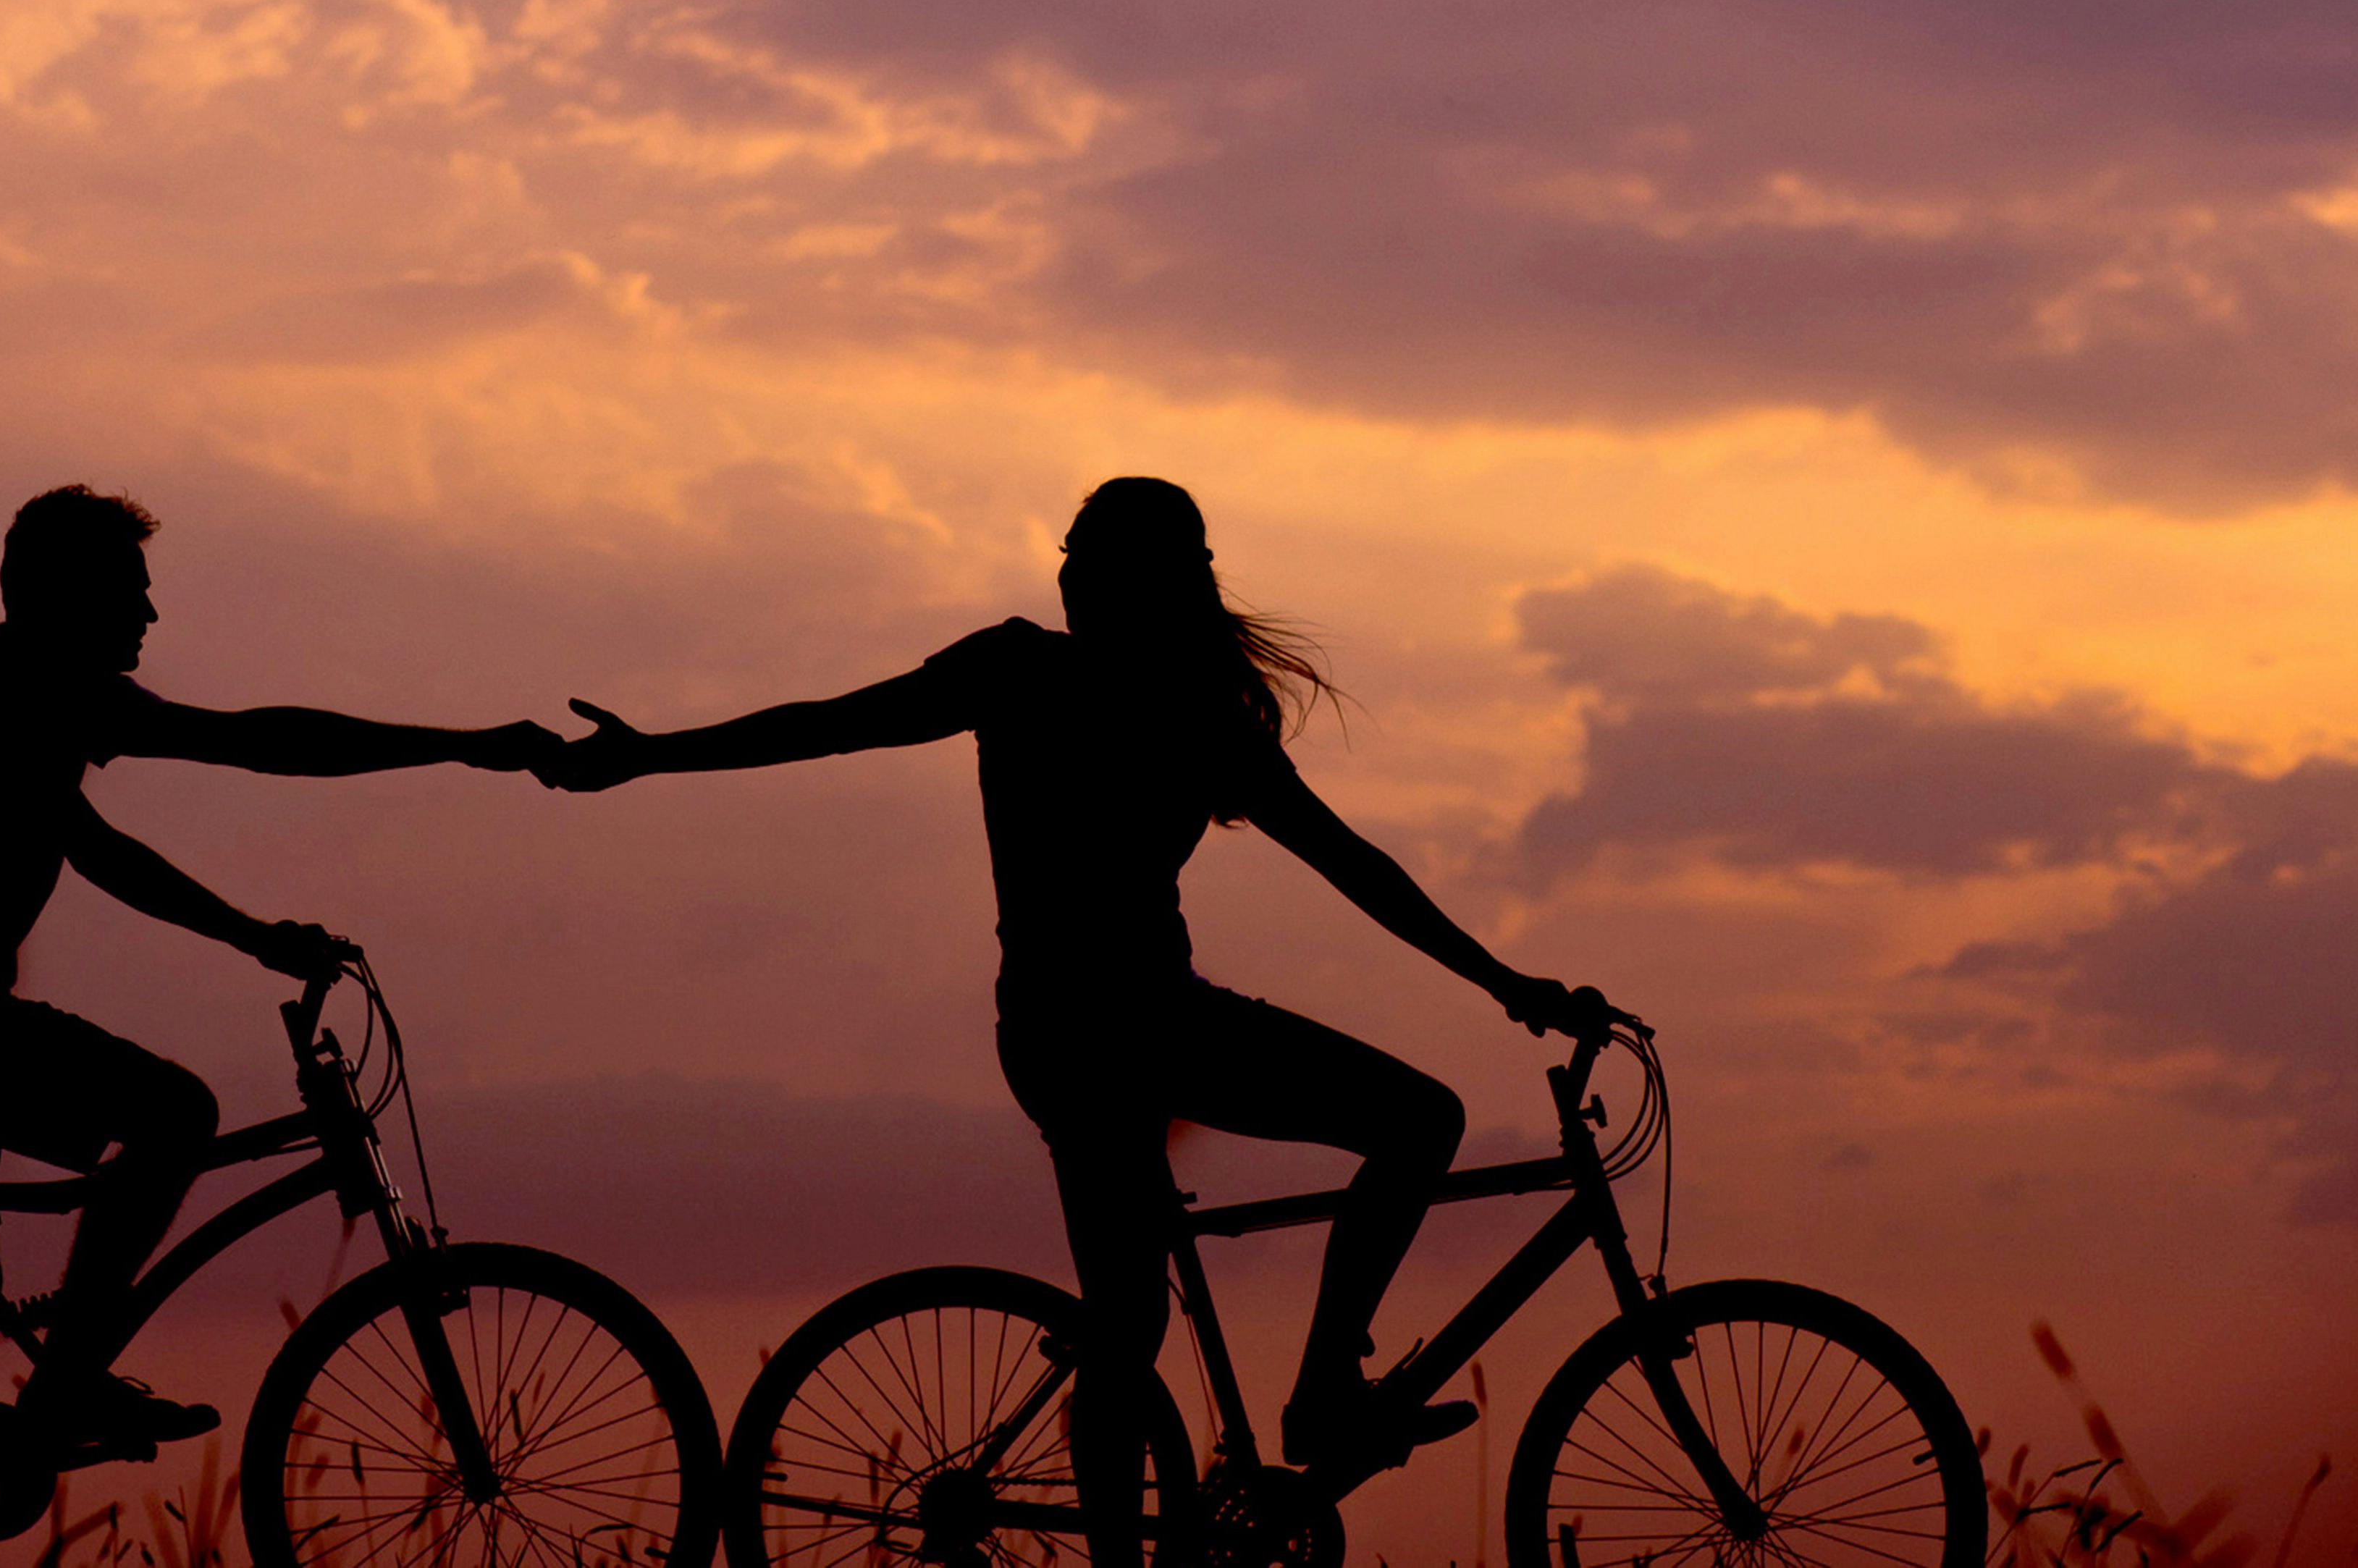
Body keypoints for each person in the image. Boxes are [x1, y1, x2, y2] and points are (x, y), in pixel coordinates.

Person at [540, 476, 1615, 1561]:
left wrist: (1501, 980)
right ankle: (1325, 1393)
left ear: (1143, 581)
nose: (1064, 574)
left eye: (1086, 556)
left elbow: (1351, 865)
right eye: (1067, 553)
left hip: (1080, 1033)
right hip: (1125, 1029)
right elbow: (827, 728)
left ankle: (1197, 1494)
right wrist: (651, 754)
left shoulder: (1150, 704)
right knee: (1406, 1128)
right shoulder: (1070, 683)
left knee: (1132, 1317)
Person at [0, 484, 554, 1462]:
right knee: (171, 1116)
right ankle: (60, 1388)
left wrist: (253, 935)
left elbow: (96, 846)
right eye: (130, 590)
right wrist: (466, 748)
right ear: (69, 595)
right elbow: (251, 744)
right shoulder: (22, 685)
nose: (150, 614)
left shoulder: (4, 688)